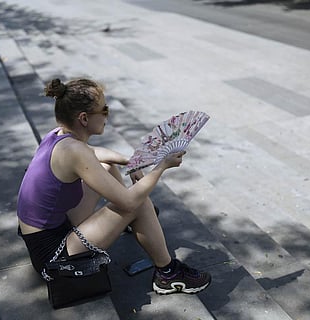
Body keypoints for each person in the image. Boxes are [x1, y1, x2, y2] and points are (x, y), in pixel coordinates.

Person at [17, 78, 211, 295]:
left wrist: (132, 162)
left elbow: (95, 154)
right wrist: (161, 167)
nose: (107, 115)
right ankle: (168, 274)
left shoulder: (58, 136)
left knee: (107, 168)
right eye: (104, 110)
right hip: (53, 257)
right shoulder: (74, 151)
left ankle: (134, 221)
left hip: (46, 233)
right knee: (136, 203)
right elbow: (129, 200)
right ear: (84, 118)